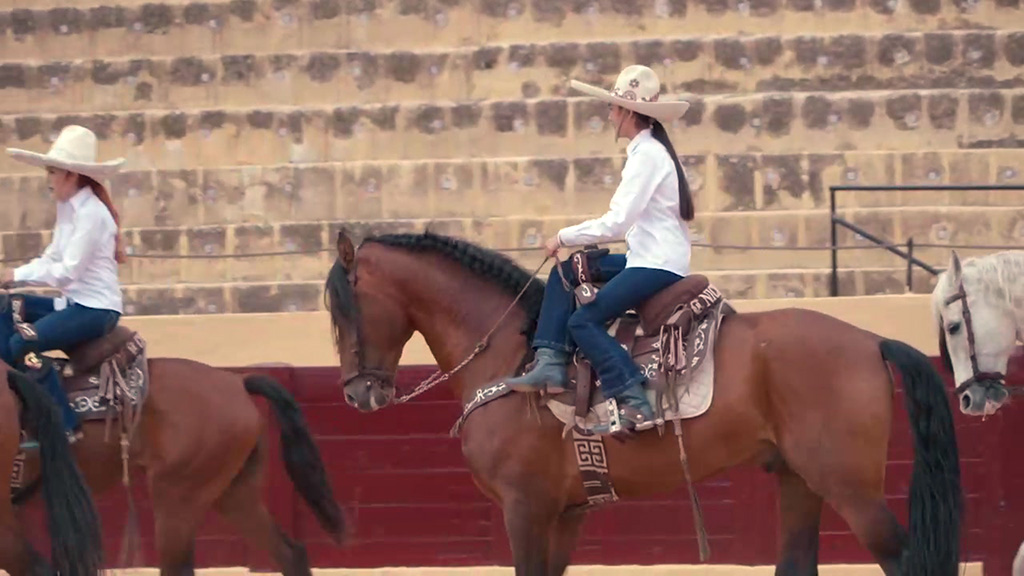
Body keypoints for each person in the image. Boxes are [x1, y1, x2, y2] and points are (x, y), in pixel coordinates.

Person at [505, 65, 695, 434]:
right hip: (649, 257)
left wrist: (562, 237)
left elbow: (617, 223)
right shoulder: (651, 151)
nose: (609, 115)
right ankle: (550, 360)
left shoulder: (647, 156)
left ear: (626, 112)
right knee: (567, 272)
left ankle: (632, 396)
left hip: (656, 264)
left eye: (612, 107)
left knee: (583, 322)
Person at [0, 124, 127, 443]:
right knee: (4, 308)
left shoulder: (92, 215)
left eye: (52, 172)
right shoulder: (68, 209)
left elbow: (67, 271)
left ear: (71, 175)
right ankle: (18, 390)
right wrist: (12, 277)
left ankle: (62, 425)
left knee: (23, 343)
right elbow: (52, 256)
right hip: (71, 304)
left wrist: (16, 275)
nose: (48, 179)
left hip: (95, 310)